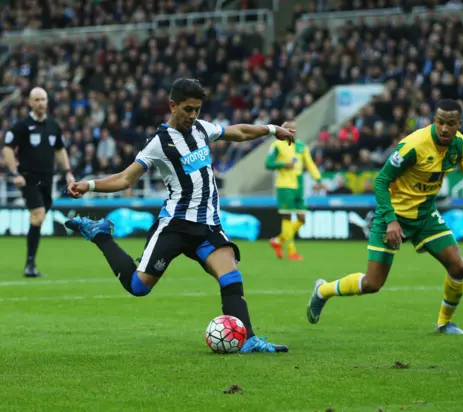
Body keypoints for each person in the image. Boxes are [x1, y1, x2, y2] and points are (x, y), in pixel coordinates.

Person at [64, 78, 293, 353]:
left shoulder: (200, 129)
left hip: (207, 225)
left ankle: (249, 339)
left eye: (197, 109)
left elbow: (239, 132)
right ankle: (101, 235)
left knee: (231, 277)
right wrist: (88, 185)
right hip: (175, 225)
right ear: (173, 106)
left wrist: (272, 129)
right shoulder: (159, 143)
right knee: (138, 287)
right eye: (188, 109)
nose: (193, 115)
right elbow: (126, 179)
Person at [306, 99, 463, 335]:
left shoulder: (461, 146)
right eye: (440, 122)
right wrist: (390, 219)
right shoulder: (414, 145)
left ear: (459, 124)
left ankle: (444, 323)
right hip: (392, 215)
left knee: (458, 266)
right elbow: (381, 181)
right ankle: (323, 291)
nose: (444, 128)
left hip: (425, 216)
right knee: (372, 284)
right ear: (434, 120)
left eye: (450, 124)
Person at [2, 87, 75, 278]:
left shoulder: (53, 125)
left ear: (47, 102)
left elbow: (60, 150)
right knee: (39, 215)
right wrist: (15, 173)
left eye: (43, 99)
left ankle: (30, 262)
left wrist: (67, 172)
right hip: (29, 178)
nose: (40, 103)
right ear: (29, 102)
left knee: (40, 217)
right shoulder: (22, 126)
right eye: (36, 99)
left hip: (47, 179)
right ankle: (30, 265)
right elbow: (7, 149)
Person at [265, 122, 324, 261]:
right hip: (284, 186)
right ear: (282, 130)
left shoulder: (301, 146)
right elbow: (268, 164)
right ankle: (292, 251)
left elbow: (310, 164)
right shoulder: (277, 146)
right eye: (288, 129)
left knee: (301, 218)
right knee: (287, 217)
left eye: (294, 130)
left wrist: (319, 180)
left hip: (299, 186)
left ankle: (278, 240)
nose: (292, 131)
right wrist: (284, 164)